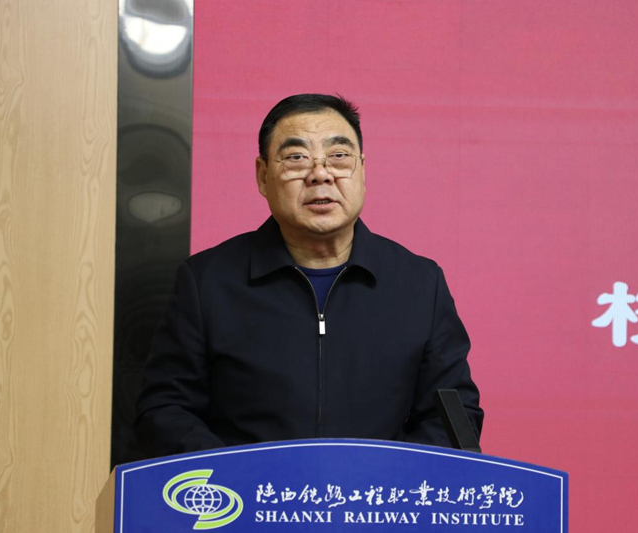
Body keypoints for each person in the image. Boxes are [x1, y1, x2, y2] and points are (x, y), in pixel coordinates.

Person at [135, 94, 482, 458]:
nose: (320, 174)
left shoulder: (419, 285)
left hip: (377, 492)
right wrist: (238, 477)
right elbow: (166, 410)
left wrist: (384, 477)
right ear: (263, 176)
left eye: (339, 156)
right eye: (297, 157)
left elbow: (454, 416)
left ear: (362, 170)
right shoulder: (207, 282)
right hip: (249, 492)